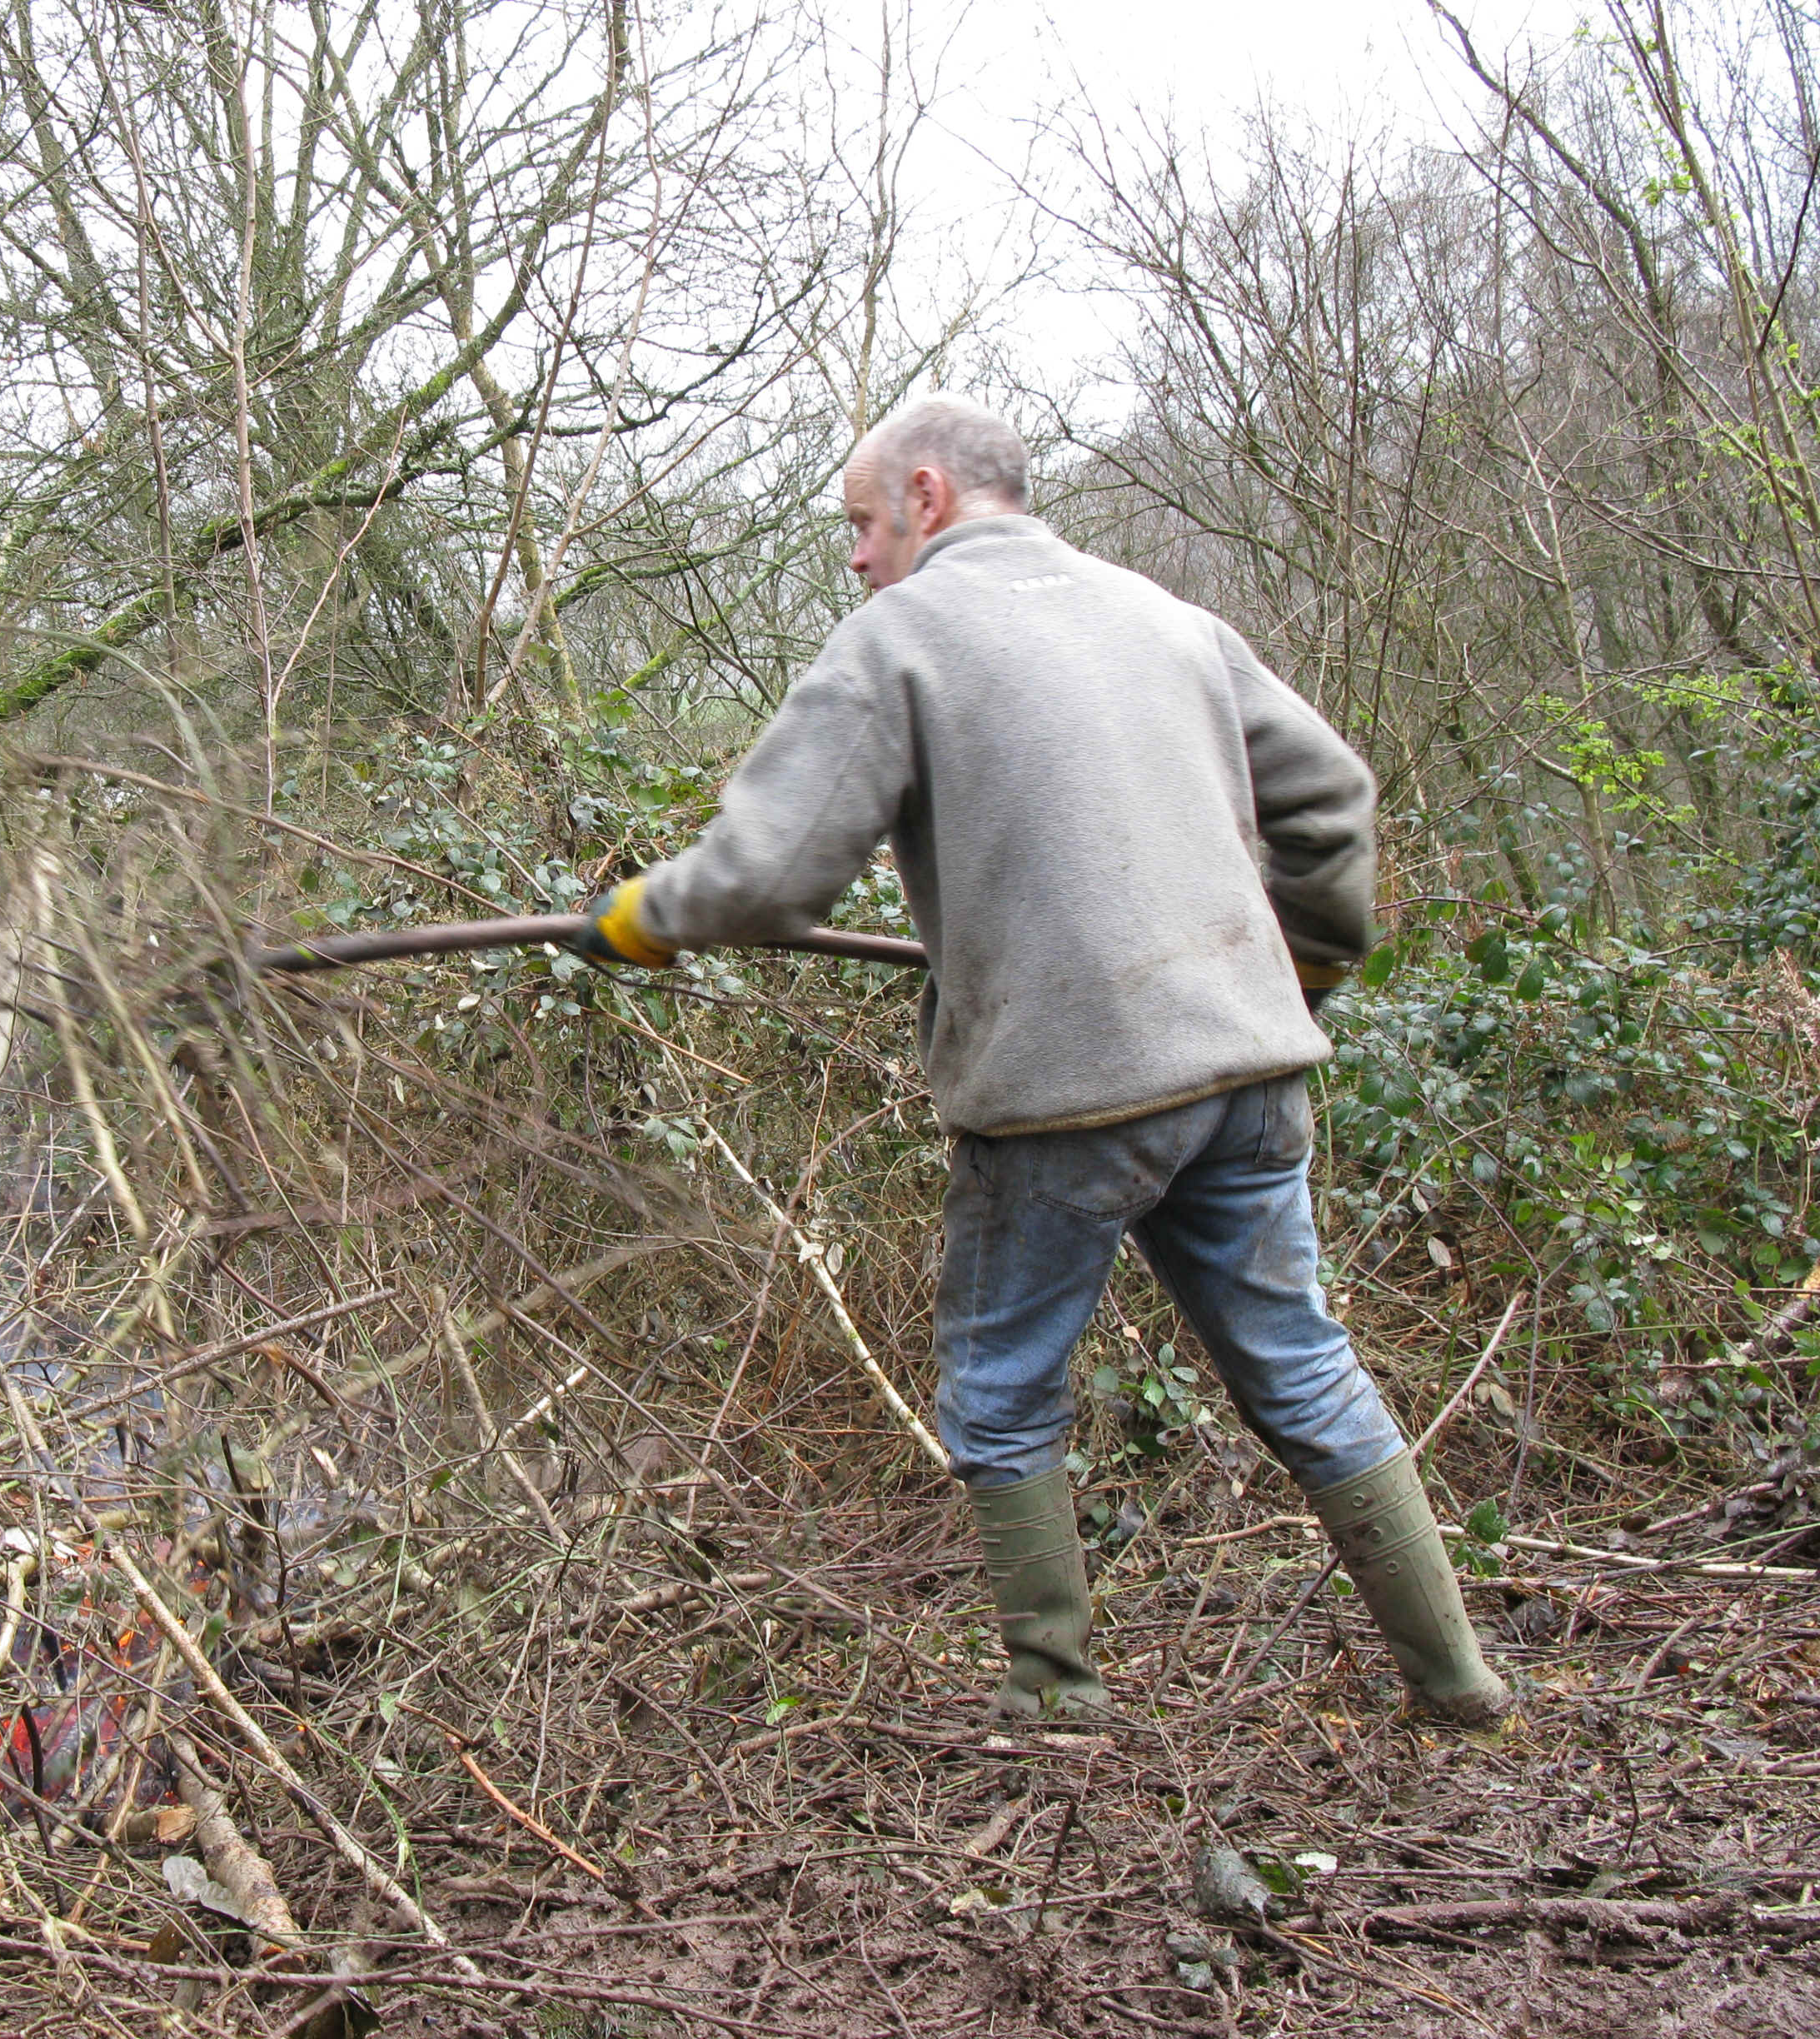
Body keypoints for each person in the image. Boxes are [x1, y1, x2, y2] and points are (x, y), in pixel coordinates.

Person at [576, 395, 1509, 1726]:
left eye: (860, 522)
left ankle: (1057, 1689)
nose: (854, 556)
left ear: (929, 496)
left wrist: (642, 918)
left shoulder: (900, 637)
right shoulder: (1170, 620)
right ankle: (1456, 1675)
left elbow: (772, 876)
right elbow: (1333, 800)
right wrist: (1301, 962)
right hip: (1248, 1073)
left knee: (1004, 1391)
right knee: (1302, 1365)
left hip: (1067, 1097)